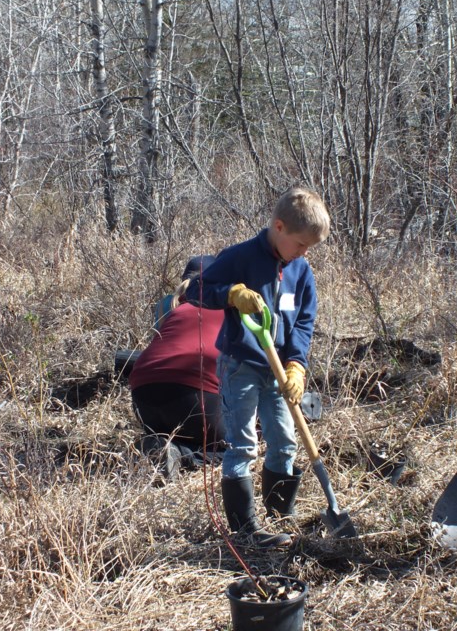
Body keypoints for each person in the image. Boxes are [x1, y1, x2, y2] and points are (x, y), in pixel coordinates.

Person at [185, 187, 330, 548]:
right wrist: (231, 293)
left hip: (279, 370)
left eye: (309, 247)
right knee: (243, 445)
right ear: (279, 227)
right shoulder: (240, 257)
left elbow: (304, 321)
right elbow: (195, 291)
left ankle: (281, 514)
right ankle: (245, 528)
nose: (304, 252)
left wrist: (297, 364)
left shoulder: (300, 269)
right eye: (300, 244)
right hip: (241, 366)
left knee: (283, 443)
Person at [129, 256, 226, 478]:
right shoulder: (229, 308)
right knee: (241, 447)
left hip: (143, 399)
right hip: (192, 397)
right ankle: (181, 454)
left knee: (187, 426)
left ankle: (159, 447)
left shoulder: (176, 307)